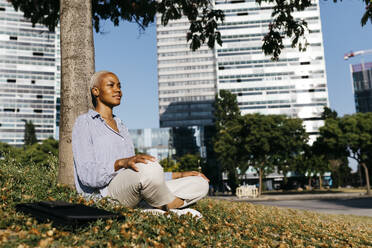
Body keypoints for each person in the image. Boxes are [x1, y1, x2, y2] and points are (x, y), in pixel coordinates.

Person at [72, 71, 209, 211]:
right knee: (149, 168)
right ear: (96, 91)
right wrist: (120, 163)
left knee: (200, 183)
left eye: (119, 86)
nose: (118, 90)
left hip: (134, 189)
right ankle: (166, 206)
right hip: (106, 194)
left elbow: (139, 172)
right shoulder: (84, 123)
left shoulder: (121, 125)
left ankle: (149, 207)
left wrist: (179, 175)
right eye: (111, 85)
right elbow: (87, 175)